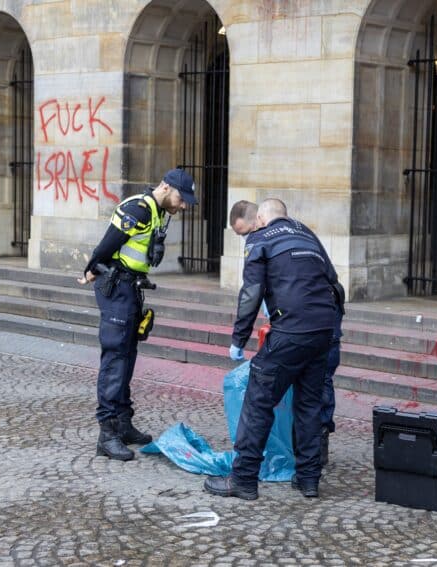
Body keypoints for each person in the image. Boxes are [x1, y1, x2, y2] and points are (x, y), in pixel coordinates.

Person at [204, 198, 342, 500]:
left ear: (262, 218)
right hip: (322, 331)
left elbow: (251, 292)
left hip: (291, 332)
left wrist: (238, 340)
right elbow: (334, 284)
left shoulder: (261, 239)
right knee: (308, 406)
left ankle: (242, 479)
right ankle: (308, 480)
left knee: (258, 402)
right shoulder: (307, 234)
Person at [78, 168, 197, 461]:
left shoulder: (156, 212)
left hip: (130, 290)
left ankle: (123, 423)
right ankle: (106, 434)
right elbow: (106, 245)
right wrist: (92, 268)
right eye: (182, 199)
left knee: (127, 357)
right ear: (166, 187)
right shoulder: (139, 209)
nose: (183, 206)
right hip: (118, 287)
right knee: (115, 358)